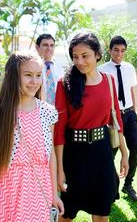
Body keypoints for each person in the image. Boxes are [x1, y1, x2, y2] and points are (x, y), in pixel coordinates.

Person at [0, 51, 63, 222]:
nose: (35, 82)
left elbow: (50, 156)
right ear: (12, 76)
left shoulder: (48, 112)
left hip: (38, 197)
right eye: (28, 75)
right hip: (2, 194)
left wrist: (54, 194)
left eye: (38, 75)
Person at [54, 33, 129, 222]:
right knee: (67, 213)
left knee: (102, 213)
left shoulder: (109, 81)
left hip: (102, 152)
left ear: (97, 54)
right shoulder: (64, 84)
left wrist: (124, 153)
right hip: (74, 155)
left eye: (84, 55)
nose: (79, 61)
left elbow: (116, 120)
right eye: (75, 56)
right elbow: (59, 129)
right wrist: (60, 168)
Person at [99, 35, 137, 202]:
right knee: (112, 153)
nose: (119, 53)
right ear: (110, 50)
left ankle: (128, 184)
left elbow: (130, 89)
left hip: (129, 114)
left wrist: (133, 108)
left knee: (136, 148)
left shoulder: (129, 68)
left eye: (122, 50)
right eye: (116, 50)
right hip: (112, 116)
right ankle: (111, 185)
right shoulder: (102, 70)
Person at [36, 33, 64, 105]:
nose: (49, 49)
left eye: (52, 45)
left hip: (57, 110)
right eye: (45, 45)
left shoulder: (60, 68)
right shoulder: (33, 67)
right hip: (37, 109)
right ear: (37, 47)